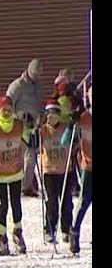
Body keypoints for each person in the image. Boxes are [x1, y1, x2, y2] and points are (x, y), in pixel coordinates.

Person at [0, 95, 32, 255]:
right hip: (0, 174)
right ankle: (1, 236)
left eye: (9, 109)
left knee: (16, 204)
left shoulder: (18, 125)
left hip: (16, 172)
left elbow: (29, 137)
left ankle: (18, 232)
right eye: (3, 110)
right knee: (2, 205)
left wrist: (30, 126)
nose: (6, 112)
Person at [6, 58, 43, 197]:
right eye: (36, 73)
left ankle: (26, 186)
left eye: (40, 74)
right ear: (30, 71)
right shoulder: (18, 85)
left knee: (31, 158)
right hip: (19, 127)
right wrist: (18, 115)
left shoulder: (38, 86)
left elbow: (39, 103)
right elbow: (7, 105)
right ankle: (17, 184)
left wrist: (42, 115)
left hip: (33, 127)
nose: (38, 76)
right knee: (20, 158)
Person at [39, 99, 73, 245]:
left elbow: (74, 141)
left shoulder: (65, 128)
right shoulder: (44, 130)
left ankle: (66, 230)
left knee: (67, 202)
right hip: (49, 171)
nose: (50, 118)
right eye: (48, 115)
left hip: (65, 170)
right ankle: (49, 229)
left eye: (53, 115)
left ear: (59, 115)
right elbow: (32, 140)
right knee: (52, 202)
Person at [64, 86, 92, 255]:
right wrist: (71, 124)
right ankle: (74, 231)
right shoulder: (83, 118)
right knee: (85, 201)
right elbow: (65, 141)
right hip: (89, 166)